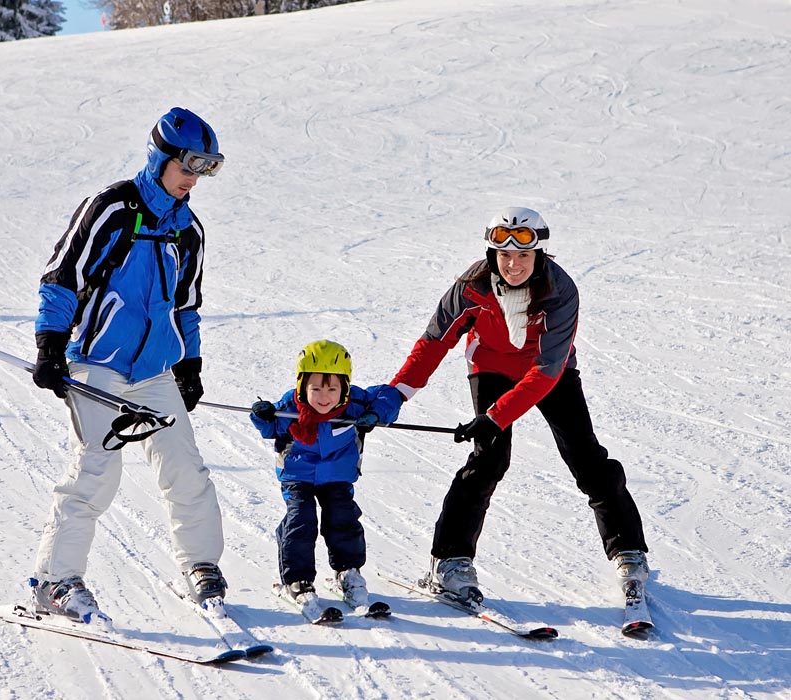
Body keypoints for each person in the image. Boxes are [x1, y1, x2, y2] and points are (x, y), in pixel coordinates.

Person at [390, 206, 650, 603]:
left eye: (523, 255)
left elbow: (546, 371)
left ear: (539, 254)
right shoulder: (470, 287)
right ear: (492, 253)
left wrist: (494, 417)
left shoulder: (560, 291)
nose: (513, 264)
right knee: (489, 462)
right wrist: (397, 394)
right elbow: (434, 342)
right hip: (491, 368)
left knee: (586, 458)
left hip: (549, 370)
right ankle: (450, 562)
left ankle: (628, 551)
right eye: (504, 254)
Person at [28, 107, 228, 622]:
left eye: (205, 170)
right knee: (96, 470)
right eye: (189, 167)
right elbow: (62, 278)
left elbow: (186, 305)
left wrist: (190, 365)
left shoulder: (189, 230)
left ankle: (200, 566)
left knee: (185, 468)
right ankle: (55, 582)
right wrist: (50, 346)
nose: (194, 180)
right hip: (98, 363)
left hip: (155, 369)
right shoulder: (111, 209)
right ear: (161, 158)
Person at [250, 340, 403, 607]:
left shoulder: (355, 402)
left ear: (344, 387)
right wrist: (262, 415)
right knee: (301, 519)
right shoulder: (290, 405)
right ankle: (298, 579)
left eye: (332, 388)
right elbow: (270, 428)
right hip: (298, 475)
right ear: (302, 386)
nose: (324, 397)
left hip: (338, 474)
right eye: (316, 388)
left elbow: (389, 396)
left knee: (342, 517)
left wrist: (375, 414)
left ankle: (348, 571)